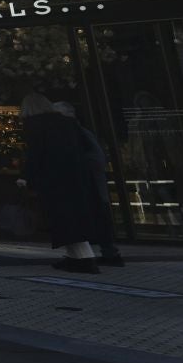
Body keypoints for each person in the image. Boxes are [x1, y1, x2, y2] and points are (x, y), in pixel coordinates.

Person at [22, 92, 109, 273]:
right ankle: (77, 258)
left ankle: (82, 260)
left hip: (56, 180)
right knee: (75, 219)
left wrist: (27, 176)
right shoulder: (68, 124)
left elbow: (35, 154)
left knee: (65, 220)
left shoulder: (35, 125)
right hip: (78, 178)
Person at [54, 101, 123, 267]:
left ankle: (102, 253)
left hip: (89, 183)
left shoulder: (76, 133)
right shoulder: (79, 132)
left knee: (97, 215)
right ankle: (107, 252)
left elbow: (95, 158)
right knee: (98, 216)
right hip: (91, 181)